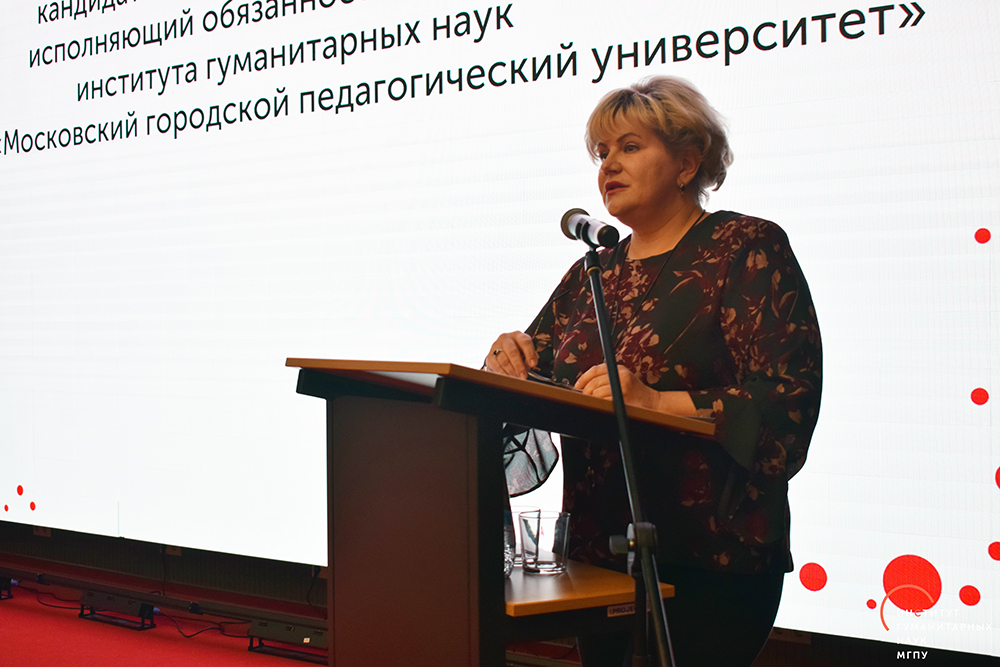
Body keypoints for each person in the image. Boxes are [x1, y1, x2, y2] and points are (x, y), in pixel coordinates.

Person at [486, 76, 822, 667]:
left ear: (687, 163)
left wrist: (659, 403)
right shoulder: (592, 272)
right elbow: (536, 373)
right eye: (602, 153)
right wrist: (507, 360)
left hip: (709, 558)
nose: (609, 165)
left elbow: (787, 400)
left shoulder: (744, 246)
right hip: (600, 559)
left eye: (630, 147)